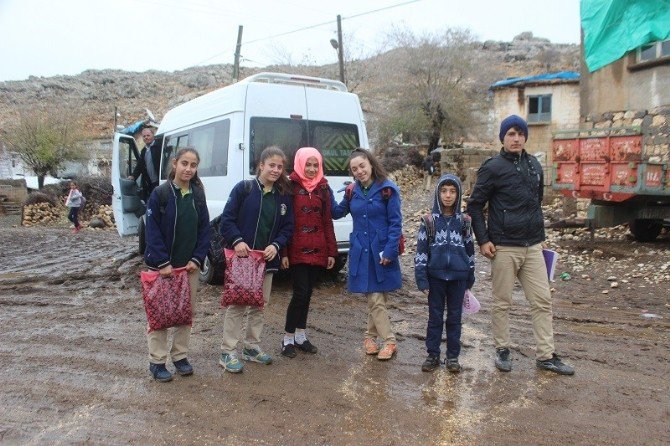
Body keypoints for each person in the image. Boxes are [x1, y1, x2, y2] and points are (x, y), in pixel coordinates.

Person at [466, 115, 574, 376]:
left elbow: (535, 203)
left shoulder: (535, 165)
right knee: (502, 302)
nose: (516, 138)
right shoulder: (492, 168)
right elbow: (474, 205)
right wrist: (483, 240)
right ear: (503, 137)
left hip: (533, 247)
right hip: (503, 247)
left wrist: (540, 235)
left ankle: (546, 355)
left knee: (542, 301)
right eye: (511, 134)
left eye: (520, 134)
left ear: (525, 137)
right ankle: (502, 348)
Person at [219, 146, 294, 373]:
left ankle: (251, 347)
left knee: (259, 305)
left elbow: (288, 227)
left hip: (267, 261)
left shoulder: (283, 196)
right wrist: (237, 240)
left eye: (280, 167)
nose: (276, 170)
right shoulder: (244, 189)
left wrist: (276, 245)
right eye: (271, 165)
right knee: (238, 304)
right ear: (261, 165)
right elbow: (226, 221)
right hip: (243, 260)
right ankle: (227, 352)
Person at [143, 147, 211, 382]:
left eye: (193, 165)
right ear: (174, 163)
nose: (188, 169)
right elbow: (151, 232)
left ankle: (180, 356)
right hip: (162, 268)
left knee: (185, 313)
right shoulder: (160, 194)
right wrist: (162, 262)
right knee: (160, 315)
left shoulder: (198, 195)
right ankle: (157, 361)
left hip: (188, 268)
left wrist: (196, 258)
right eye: (184, 163)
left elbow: (205, 230)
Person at [332, 148, 402, 361]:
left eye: (362, 166)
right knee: (375, 297)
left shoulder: (387, 190)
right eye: (354, 169)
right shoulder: (352, 191)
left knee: (377, 297)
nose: (359, 171)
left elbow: (395, 223)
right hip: (361, 250)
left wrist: (390, 251)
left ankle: (385, 340)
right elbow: (337, 213)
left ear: (371, 164)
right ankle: (376, 338)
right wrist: (325, 190)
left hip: (381, 251)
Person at [280, 147, 337, 358]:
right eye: (308, 164)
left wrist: (332, 251)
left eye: (315, 165)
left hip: (318, 247)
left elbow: (327, 221)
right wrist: (284, 252)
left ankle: (301, 336)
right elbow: (284, 222)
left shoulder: (323, 188)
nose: (312, 169)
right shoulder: (289, 186)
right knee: (300, 292)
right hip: (296, 248)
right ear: (300, 163)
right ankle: (287, 339)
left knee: (308, 293)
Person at [415, 174, 475, 373]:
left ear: (458, 194)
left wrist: (470, 276)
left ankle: (452, 357)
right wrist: (422, 279)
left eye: (452, 191)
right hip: (435, 278)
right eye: (443, 191)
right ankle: (432, 355)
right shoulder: (428, 221)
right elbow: (421, 252)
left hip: (458, 279)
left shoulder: (465, 221)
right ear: (437, 193)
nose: (448, 196)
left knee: (455, 318)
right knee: (435, 318)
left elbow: (470, 251)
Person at [129, 127, 161, 200]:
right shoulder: (144, 150)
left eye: (148, 135)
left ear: (153, 135)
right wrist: (133, 176)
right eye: (144, 136)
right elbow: (140, 165)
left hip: (160, 181)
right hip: (149, 183)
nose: (146, 137)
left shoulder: (159, 146)